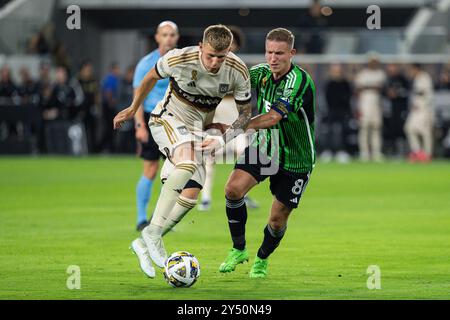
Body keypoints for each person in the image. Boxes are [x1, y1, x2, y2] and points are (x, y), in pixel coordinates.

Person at [113, 24, 252, 278]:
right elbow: (150, 77)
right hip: (166, 118)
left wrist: (222, 140)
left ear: (229, 52)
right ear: (201, 47)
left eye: (221, 57)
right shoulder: (180, 57)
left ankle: (143, 245)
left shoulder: (237, 70)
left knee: (190, 196)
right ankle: (153, 232)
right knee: (186, 164)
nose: (214, 62)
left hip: (196, 131)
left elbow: (245, 115)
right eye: (210, 55)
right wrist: (134, 109)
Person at [218, 28, 316, 278]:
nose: (273, 58)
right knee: (232, 189)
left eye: (279, 53)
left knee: (276, 220)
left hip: (296, 157)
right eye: (269, 52)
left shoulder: (299, 81)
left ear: (291, 53)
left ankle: (262, 259)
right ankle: (238, 249)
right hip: (265, 146)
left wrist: (236, 128)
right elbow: (231, 84)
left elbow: (273, 117)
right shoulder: (261, 73)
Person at [198, 25, 259, 211]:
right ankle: (206, 198)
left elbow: (246, 95)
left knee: (242, 152)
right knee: (210, 155)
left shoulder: (240, 67)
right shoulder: (210, 64)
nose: (231, 48)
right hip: (216, 110)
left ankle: (242, 193)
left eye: (234, 45)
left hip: (235, 112)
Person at [132, 21, 180, 231]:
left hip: (177, 119)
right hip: (153, 120)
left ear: (177, 37)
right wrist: (139, 125)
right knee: (150, 169)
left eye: (172, 35)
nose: (168, 38)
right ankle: (141, 218)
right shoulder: (146, 63)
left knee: (176, 171)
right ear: (157, 37)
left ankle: (160, 218)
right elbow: (138, 95)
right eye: (165, 34)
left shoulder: (183, 60)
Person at [354, 55, 386, 162]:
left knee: (376, 129)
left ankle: (376, 153)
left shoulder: (380, 74)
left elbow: (381, 87)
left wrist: (367, 87)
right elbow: (358, 89)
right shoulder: (362, 74)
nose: (374, 63)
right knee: (364, 129)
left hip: (376, 104)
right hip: (364, 104)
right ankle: (364, 153)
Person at [322, 63, 352, 162]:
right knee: (329, 131)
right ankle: (328, 151)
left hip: (343, 111)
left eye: (338, 71)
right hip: (331, 111)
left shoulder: (345, 83)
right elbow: (327, 97)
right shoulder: (329, 83)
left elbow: (348, 97)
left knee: (344, 131)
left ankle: (342, 151)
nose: (336, 73)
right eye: (334, 71)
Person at [404, 64, 434, 162]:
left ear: (416, 69)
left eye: (411, 70)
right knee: (409, 128)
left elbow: (427, 94)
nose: (410, 72)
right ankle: (417, 152)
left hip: (424, 109)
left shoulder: (425, 77)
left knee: (425, 131)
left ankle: (427, 154)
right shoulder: (416, 79)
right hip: (416, 109)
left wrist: (422, 105)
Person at [384, 63, 410, 157]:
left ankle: (403, 151)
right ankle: (394, 151)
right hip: (391, 110)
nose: (391, 70)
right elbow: (384, 92)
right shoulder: (388, 80)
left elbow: (407, 92)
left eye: (393, 68)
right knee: (392, 131)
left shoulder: (403, 79)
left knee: (402, 130)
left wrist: (397, 93)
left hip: (401, 109)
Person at [77, 60, 99, 153]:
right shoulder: (78, 80)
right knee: (83, 129)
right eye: (87, 69)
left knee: (93, 129)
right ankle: (83, 149)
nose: (89, 71)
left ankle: (93, 149)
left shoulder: (93, 80)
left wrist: (97, 106)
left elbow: (97, 94)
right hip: (82, 109)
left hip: (91, 108)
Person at [98, 62, 121, 153]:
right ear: (113, 69)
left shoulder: (109, 79)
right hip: (108, 106)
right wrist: (111, 102)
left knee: (109, 127)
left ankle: (108, 146)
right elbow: (108, 92)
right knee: (109, 127)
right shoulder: (111, 79)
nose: (118, 71)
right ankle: (106, 147)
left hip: (107, 106)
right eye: (117, 69)